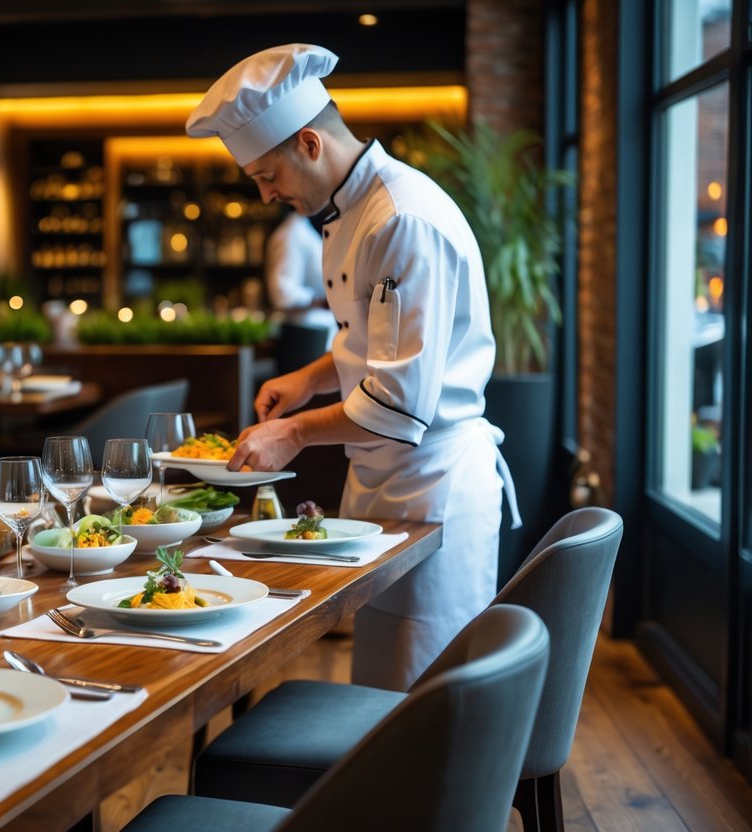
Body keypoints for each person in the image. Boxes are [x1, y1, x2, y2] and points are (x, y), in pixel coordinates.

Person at [187, 43, 520, 691]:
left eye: (265, 175)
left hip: (432, 486)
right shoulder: (349, 210)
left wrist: (292, 432)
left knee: (417, 712)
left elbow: (398, 402)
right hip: (387, 488)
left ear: (308, 143)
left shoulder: (399, 219)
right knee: (378, 695)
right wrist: (309, 378)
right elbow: (373, 341)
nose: (264, 194)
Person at [264, 208, 337, 348]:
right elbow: (282, 294)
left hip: (322, 332)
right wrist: (323, 302)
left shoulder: (309, 228)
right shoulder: (292, 233)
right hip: (304, 335)